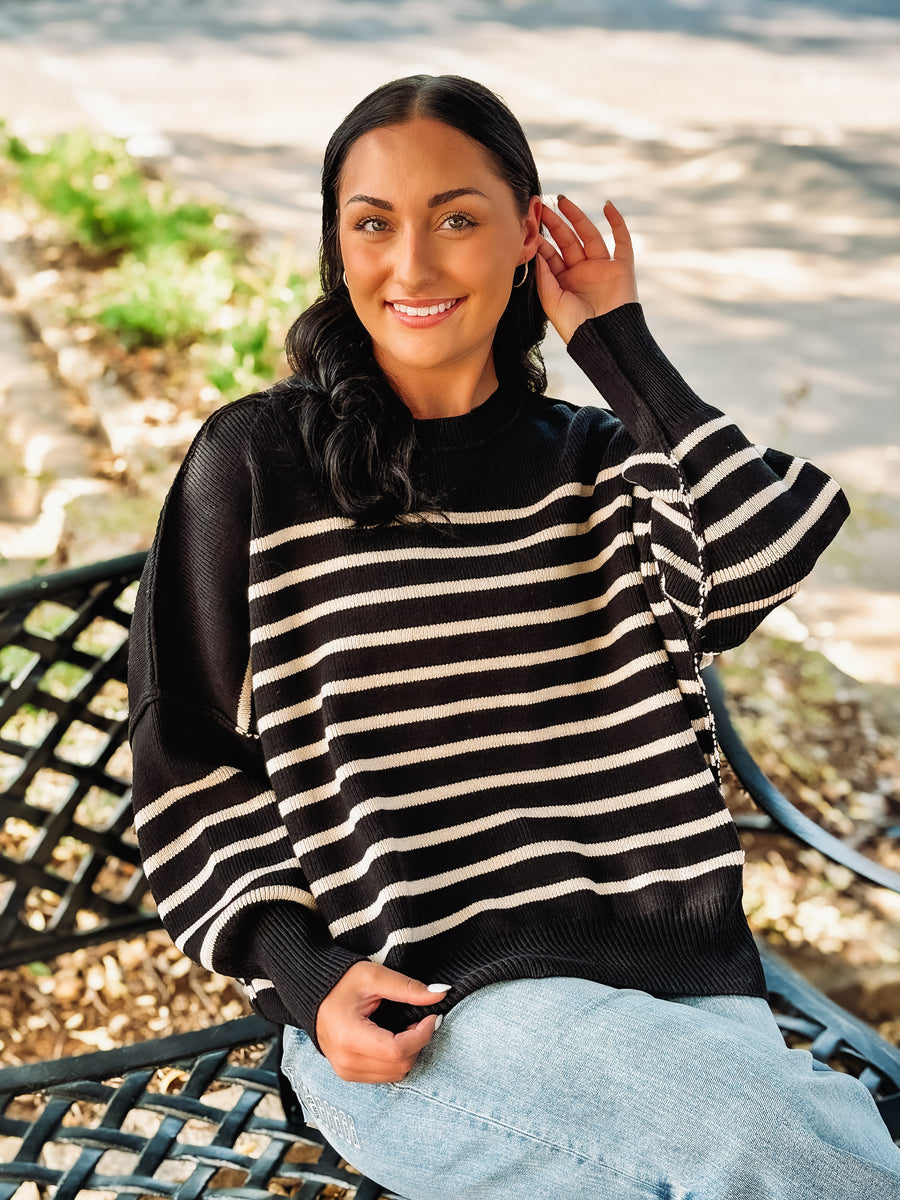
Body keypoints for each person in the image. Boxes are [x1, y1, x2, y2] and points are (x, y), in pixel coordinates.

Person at [128, 74, 900, 1199]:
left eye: (457, 218)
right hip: (425, 1024)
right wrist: (300, 970)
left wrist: (618, 340)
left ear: (527, 232)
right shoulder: (258, 462)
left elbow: (761, 548)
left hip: (675, 1011)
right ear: (337, 248)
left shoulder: (599, 461)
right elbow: (180, 749)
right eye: (373, 224)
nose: (414, 264)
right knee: (809, 1163)